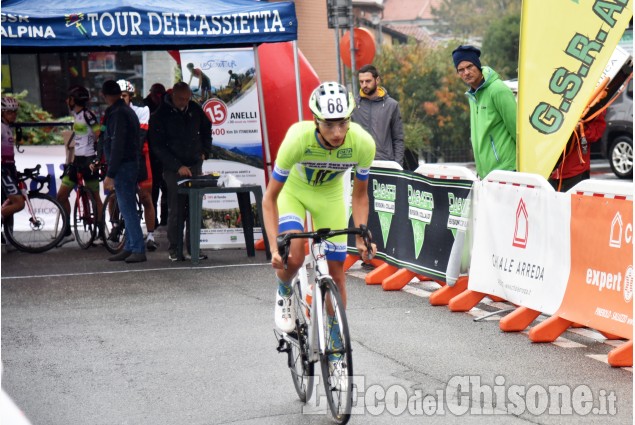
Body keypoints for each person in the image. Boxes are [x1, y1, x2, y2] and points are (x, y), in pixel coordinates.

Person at [262, 82, 377, 373]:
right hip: (294, 192)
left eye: (343, 124)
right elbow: (269, 198)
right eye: (329, 125)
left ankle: (336, 346)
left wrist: (362, 233)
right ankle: (285, 289)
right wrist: (275, 247)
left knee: (337, 274)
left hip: (330, 197)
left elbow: (360, 195)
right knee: (296, 255)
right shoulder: (297, 140)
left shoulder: (362, 143)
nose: (338, 133)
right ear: (315, 120)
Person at [148, 82, 213, 261]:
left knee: (194, 208)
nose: (184, 102)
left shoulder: (194, 109)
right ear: (173, 95)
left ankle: (194, 248)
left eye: (187, 99)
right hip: (173, 169)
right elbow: (157, 147)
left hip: (194, 164)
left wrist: (205, 151)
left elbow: (207, 128)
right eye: (180, 99)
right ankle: (175, 249)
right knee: (176, 209)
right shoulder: (160, 114)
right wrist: (177, 166)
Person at [452, 45, 517, 178]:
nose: (466, 73)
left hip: (507, 170)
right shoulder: (472, 95)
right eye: (461, 70)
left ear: (478, 65)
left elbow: (517, 129)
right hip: (486, 174)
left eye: (469, 66)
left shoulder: (498, 90)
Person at [101, 80, 146, 263]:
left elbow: (117, 143)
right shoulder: (123, 111)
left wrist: (110, 173)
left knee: (127, 209)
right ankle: (130, 246)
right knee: (126, 208)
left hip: (124, 165)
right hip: (128, 163)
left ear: (104, 95)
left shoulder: (119, 113)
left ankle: (137, 248)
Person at [56, 85, 103, 246]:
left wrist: (97, 153)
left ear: (74, 100)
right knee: (61, 196)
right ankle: (67, 232)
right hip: (77, 161)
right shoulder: (76, 115)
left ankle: (101, 232)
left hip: (88, 160)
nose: (66, 101)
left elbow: (99, 133)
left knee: (95, 197)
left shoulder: (87, 114)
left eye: (69, 98)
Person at [117, 80, 158, 251]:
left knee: (145, 198)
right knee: (115, 197)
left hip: (140, 157)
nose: (121, 99)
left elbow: (141, 137)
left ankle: (150, 235)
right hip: (121, 159)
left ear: (130, 97)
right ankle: (117, 229)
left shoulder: (142, 111)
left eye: (124, 96)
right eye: (118, 96)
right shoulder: (113, 112)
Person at [351, 64, 405, 167]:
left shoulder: (391, 105)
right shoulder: (353, 105)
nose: (364, 85)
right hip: (359, 163)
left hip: (385, 164)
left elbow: (398, 139)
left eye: (368, 81)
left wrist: (398, 167)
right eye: (361, 82)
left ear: (377, 80)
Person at [549, 111, 607, 192]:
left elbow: (597, 131)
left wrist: (582, 128)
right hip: (546, 168)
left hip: (575, 170)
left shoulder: (591, 103)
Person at [143, 83, 169, 228]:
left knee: (166, 188)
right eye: (155, 95)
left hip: (163, 152)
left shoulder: (166, 103)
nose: (158, 98)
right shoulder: (145, 106)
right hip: (151, 152)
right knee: (153, 189)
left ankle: (164, 218)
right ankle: (154, 220)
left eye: (160, 95)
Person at [1, 97, 25, 220]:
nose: (13, 115)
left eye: (15, 111)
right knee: (19, 203)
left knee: (7, 203)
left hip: (9, 167)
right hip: (3, 169)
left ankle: (6, 237)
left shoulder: (7, 126)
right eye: (9, 112)